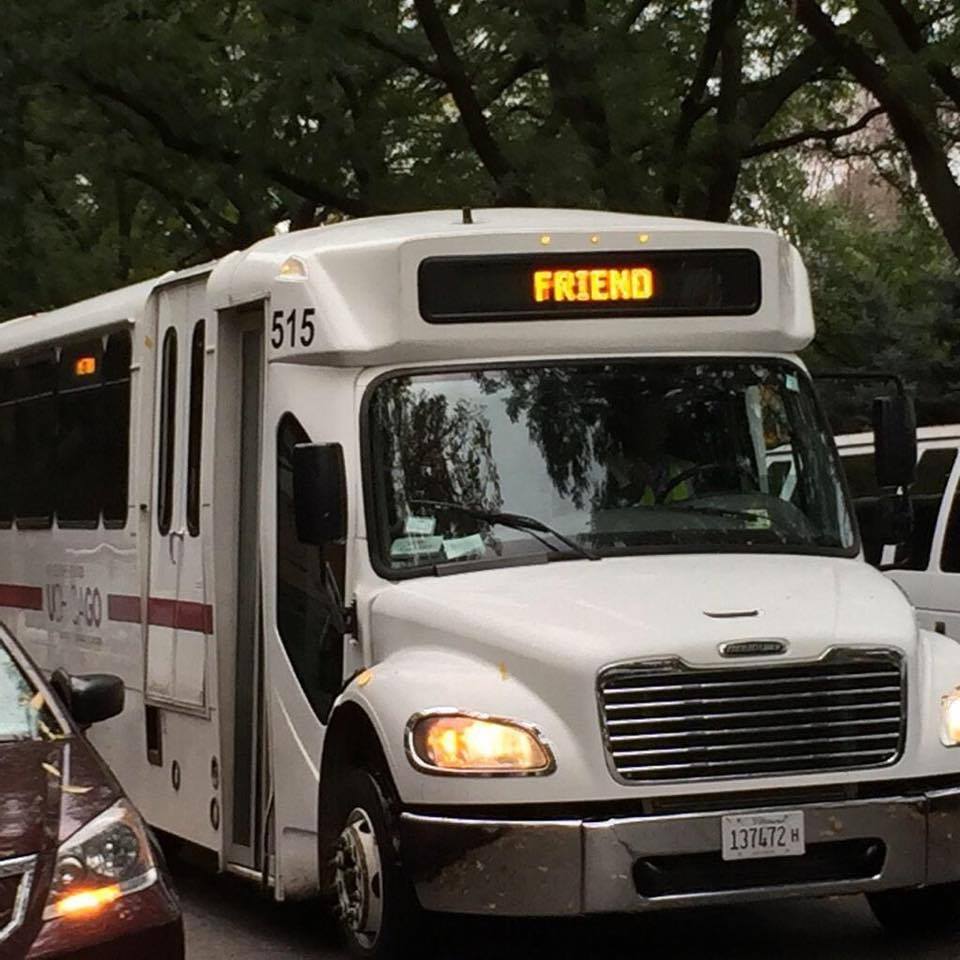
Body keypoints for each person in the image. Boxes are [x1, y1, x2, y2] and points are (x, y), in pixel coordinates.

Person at [603, 397, 695, 506]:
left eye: (662, 425)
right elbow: (613, 507)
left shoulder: (686, 469)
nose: (662, 434)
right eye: (651, 425)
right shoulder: (610, 469)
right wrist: (635, 485)